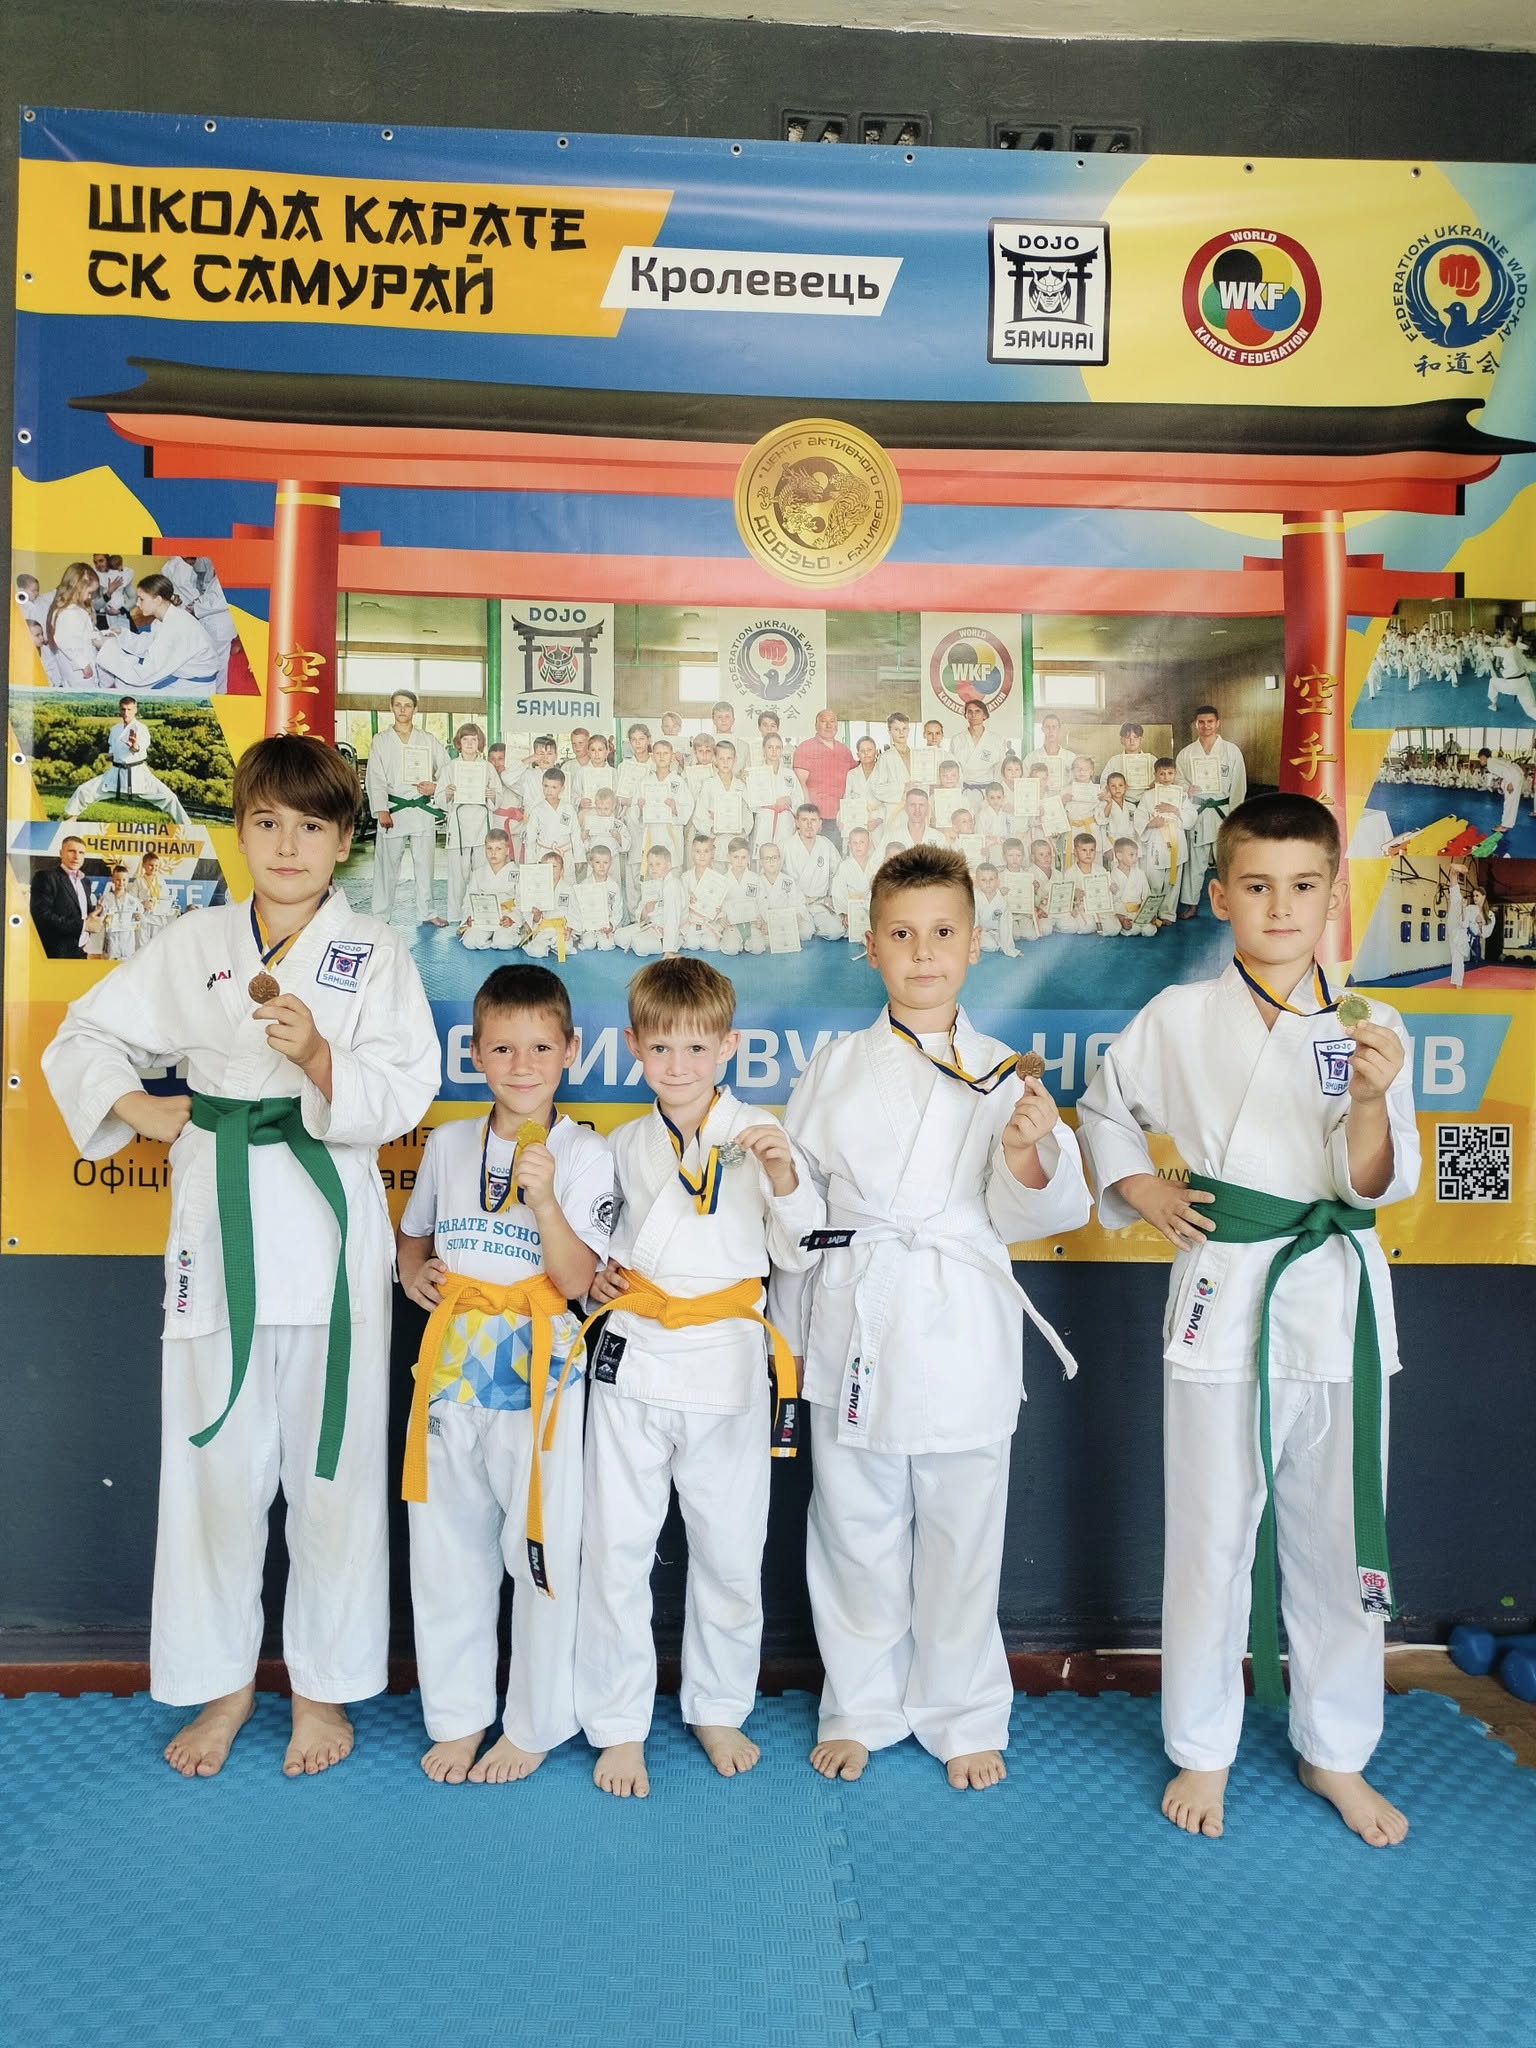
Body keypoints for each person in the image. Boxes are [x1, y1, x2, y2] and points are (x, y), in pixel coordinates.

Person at [41, 735, 440, 1778]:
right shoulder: (196, 940)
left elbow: (408, 1089)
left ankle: (323, 1689)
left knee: (333, 1476)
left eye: (310, 826)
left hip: (330, 1238)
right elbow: (82, 1036)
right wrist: (139, 1108)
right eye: (266, 822)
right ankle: (222, 1684)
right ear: (240, 832)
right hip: (216, 1231)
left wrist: (319, 1055)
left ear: (344, 842)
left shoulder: (374, 952)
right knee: (213, 1469)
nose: (287, 845)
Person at [1078, 792, 1420, 1848]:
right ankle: (1202, 1746)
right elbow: (1104, 1109)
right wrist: (1141, 1187)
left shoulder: (1374, 1027)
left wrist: (1371, 1101)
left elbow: (1373, 1184)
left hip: (1337, 1296)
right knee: (1211, 1534)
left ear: (1333, 895)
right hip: (1225, 1293)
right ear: (1222, 895)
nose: (1281, 907)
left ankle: (1336, 1749)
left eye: (1303, 886)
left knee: (1342, 1533)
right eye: (1258, 885)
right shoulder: (1178, 1017)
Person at [771, 845, 1090, 1790]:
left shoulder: (1006, 1076)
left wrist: (1029, 1151)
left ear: (975, 943)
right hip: (857, 1318)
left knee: (962, 1531)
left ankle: (963, 1712)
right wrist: (788, 1331)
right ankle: (860, 1704)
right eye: (902, 934)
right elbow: (799, 1212)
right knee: (853, 1526)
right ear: (870, 947)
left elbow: (1036, 1211)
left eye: (942, 933)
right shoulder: (834, 1069)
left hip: (959, 1322)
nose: (923, 952)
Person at [576, 957, 824, 1795]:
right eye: (660, 1049)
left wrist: (784, 1176)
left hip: (726, 1363)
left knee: (728, 1550)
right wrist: (600, 1278)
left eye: (694, 1048)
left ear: (729, 1047)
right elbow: (598, 1245)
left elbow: (801, 1251)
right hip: (634, 1355)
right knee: (615, 1548)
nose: (677, 1066)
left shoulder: (761, 1135)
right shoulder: (621, 1145)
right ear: (632, 1048)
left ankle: (718, 1706)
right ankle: (618, 1724)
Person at [397, 964, 613, 1786]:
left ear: (571, 1051)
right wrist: (410, 1273)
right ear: (475, 1054)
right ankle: (456, 1718)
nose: (522, 1066)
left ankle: (533, 1724)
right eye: (502, 1049)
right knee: (445, 1552)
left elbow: (577, 1280)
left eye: (540, 1048)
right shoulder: (449, 1143)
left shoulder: (585, 1153)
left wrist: (547, 1200)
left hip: (541, 1378)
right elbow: (413, 1236)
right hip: (452, 1371)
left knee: (540, 1552)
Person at [364, 690, 447, 926]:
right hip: (393, 807)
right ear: (391, 707)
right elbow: (375, 776)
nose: (402, 709)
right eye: (398, 705)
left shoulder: (428, 739)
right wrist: (381, 809)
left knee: (425, 864)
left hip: (421, 808)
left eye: (407, 705)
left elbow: (447, 767)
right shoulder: (381, 740)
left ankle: (427, 911)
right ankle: (380, 915)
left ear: (415, 709)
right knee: (386, 865)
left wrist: (436, 786)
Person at [67, 696, 191, 827]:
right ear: (119, 710)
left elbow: (138, 748)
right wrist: (110, 756)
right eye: (123, 709)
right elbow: (113, 749)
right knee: (84, 790)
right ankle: (71, 820)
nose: (126, 713)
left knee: (169, 797)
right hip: (115, 773)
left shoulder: (141, 728)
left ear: (135, 710)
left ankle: (186, 827)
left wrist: (134, 745)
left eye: (129, 709)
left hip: (138, 773)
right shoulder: (115, 729)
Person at [95, 574, 220, 695]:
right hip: (184, 675)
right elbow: (149, 643)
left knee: (128, 687)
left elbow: (142, 675)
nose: (137, 604)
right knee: (123, 683)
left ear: (158, 600)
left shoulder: (175, 627)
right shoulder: (167, 617)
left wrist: (106, 648)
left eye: (141, 599)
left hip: (193, 688)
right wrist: (122, 635)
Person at [1176, 707, 1247, 918]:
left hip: (1223, 811)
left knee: (1227, 861)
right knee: (1195, 860)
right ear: (1195, 724)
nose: (1205, 726)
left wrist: (1235, 815)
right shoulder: (1187, 753)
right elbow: (1178, 780)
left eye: (1210, 722)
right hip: (1197, 810)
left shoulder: (1231, 751)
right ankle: (1191, 903)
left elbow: (1239, 784)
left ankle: (1235, 904)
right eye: (1201, 722)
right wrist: (1186, 789)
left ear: (1217, 723)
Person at [434, 723, 501, 925]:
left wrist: (492, 795)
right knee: (458, 875)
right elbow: (439, 799)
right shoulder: (450, 768)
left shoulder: (487, 768)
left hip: (482, 824)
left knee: (482, 873)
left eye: (474, 739)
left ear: (480, 743)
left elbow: (498, 798)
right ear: (459, 743)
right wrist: (447, 793)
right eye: (465, 739)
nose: (470, 743)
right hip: (459, 827)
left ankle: (483, 917)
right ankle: (458, 918)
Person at [29, 834, 104, 958]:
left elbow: (79, 911)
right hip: (56, 953)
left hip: (80, 951)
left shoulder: (85, 882)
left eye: (81, 852)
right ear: (61, 853)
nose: (76, 856)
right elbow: (42, 916)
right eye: (71, 851)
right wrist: (84, 926)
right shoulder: (46, 877)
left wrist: (95, 911)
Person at [793, 708, 856, 847]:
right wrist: (811, 819)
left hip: (840, 819)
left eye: (832, 721)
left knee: (836, 856)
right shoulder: (805, 748)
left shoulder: (844, 750)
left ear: (837, 726)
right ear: (816, 725)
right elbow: (800, 785)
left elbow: (855, 780)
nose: (828, 725)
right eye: (823, 721)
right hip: (816, 819)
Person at [782, 805, 842, 938]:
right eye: (804, 820)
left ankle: (816, 926)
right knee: (804, 933)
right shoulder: (786, 846)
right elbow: (775, 876)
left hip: (819, 903)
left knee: (836, 932)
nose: (809, 825)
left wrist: (832, 896)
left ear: (820, 823)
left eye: (813, 820)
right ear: (797, 822)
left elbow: (838, 873)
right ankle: (810, 927)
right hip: (795, 904)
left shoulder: (826, 845)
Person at [460, 830, 524, 952]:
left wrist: (512, 918)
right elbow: (468, 899)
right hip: (483, 916)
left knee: (503, 942)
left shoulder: (516, 873)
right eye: (489, 849)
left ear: (507, 850)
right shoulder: (478, 873)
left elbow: (522, 901)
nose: (493, 853)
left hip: (506, 916)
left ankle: (514, 935)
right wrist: (469, 916)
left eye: (499, 849)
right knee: (470, 942)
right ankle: (490, 939)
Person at [42, 562, 105, 687]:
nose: (90, 597)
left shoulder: (72, 610)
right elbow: (64, 640)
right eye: (89, 592)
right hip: (79, 670)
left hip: (77, 669)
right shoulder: (70, 613)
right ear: (77, 587)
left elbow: (81, 634)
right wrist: (83, 664)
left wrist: (100, 634)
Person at [616, 845, 683, 956]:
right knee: (619, 936)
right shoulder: (651, 884)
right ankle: (641, 938)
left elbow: (672, 918)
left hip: (668, 932)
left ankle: (664, 944)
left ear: (668, 865)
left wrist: (669, 950)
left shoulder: (673, 885)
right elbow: (642, 911)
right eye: (650, 864)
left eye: (658, 864)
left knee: (639, 945)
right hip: (651, 924)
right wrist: (645, 911)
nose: (653, 868)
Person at [952, 699, 1008, 804]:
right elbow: (955, 769)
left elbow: (1000, 768)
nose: (973, 715)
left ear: (985, 715)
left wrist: (995, 792)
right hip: (964, 791)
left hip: (988, 792)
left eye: (977, 711)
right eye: (970, 711)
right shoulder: (957, 739)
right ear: (965, 715)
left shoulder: (997, 739)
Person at [97, 862, 145, 960]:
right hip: (112, 937)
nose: (121, 883)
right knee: (110, 964)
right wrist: (100, 913)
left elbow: (140, 917)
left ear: (128, 880)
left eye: (124, 880)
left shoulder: (133, 900)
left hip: (127, 938)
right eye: (118, 880)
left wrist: (139, 917)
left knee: (127, 964)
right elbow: (100, 919)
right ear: (113, 880)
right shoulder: (106, 899)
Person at [1486, 629, 1536, 720]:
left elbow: (1514, 669)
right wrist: (1491, 648)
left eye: (1504, 638)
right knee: (1531, 709)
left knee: (1493, 681)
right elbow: (1503, 650)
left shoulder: (1510, 655)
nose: (1502, 639)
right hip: (1524, 682)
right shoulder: (1516, 649)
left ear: (1508, 642)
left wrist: (1503, 672)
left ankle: (1493, 704)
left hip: (1513, 684)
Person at [1477, 749, 1525, 833]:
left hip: (1512, 777)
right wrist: (1501, 779)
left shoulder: (1490, 763)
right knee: (1511, 802)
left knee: (1509, 802)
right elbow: (1503, 769)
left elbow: (1505, 770)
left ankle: (1504, 826)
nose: (1480, 761)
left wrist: (1509, 783)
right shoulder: (1493, 760)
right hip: (1516, 773)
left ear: (1484, 757)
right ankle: (1506, 824)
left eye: (1480, 759)